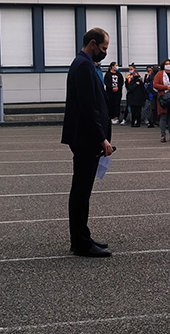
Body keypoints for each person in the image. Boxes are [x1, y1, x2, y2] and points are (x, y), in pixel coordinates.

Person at [61, 27, 114, 258]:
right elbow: (88, 107)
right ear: (92, 43)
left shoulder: (84, 63)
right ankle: (81, 242)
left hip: (85, 137)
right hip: (85, 138)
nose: (104, 53)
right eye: (103, 48)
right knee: (81, 191)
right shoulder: (83, 65)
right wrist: (101, 137)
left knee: (83, 191)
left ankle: (83, 236)